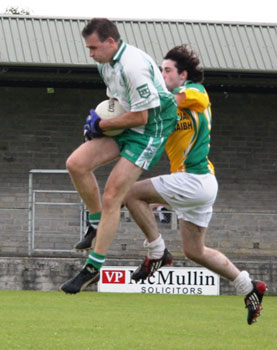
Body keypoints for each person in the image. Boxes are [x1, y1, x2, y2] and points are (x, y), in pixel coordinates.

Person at [123, 45, 267, 325]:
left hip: (195, 178)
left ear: (183, 74)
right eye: (161, 70)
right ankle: (248, 286)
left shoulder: (195, 92)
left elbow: (169, 99)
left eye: (167, 70)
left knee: (130, 193)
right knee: (194, 251)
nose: (162, 75)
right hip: (196, 185)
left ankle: (156, 251)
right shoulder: (170, 108)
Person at [60, 18, 178, 293]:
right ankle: (95, 224)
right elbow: (118, 104)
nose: (90, 54)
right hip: (128, 119)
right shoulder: (105, 63)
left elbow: (142, 116)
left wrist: (100, 125)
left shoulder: (133, 66)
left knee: (114, 194)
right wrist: (99, 120)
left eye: (94, 47)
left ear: (111, 42)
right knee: (76, 164)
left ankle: (93, 268)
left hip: (151, 127)